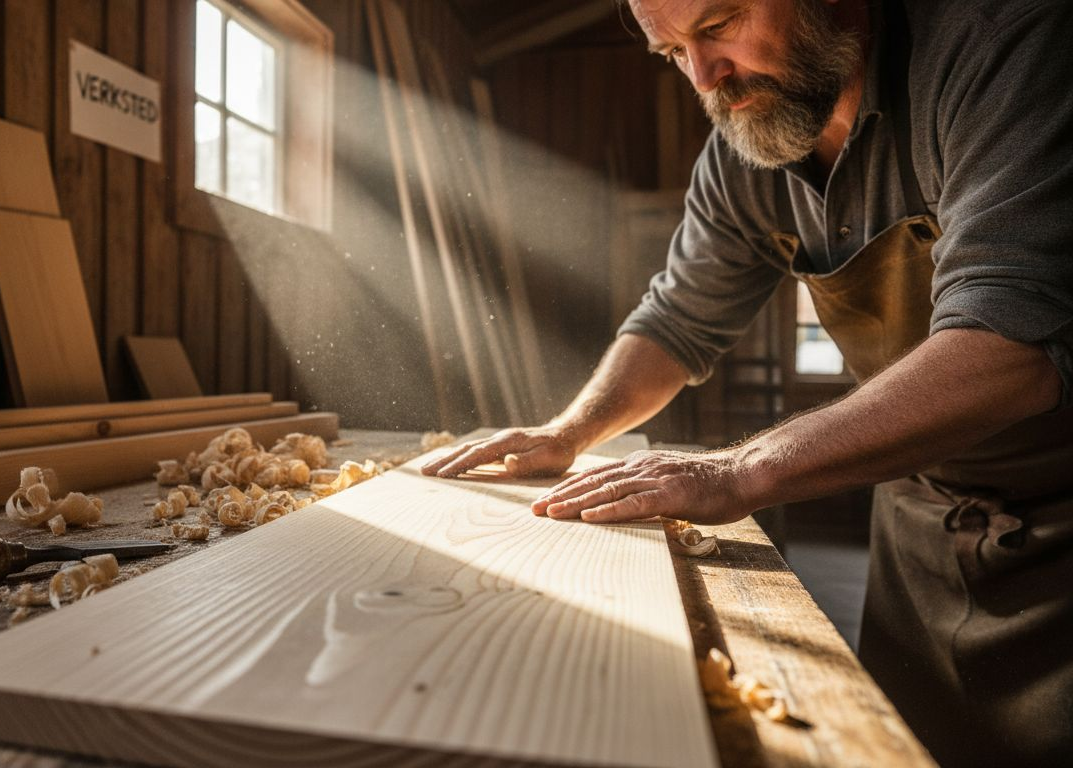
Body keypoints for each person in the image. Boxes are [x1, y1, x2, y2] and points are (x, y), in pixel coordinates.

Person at [421, 0, 1073, 765]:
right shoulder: (749, 141)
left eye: (718, 25)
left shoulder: (1001, 50)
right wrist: (569, 431)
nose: (704, 77)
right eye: (672, 53)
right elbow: (677, 320)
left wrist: (736, 472)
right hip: (923, 518)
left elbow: (1010, 344)